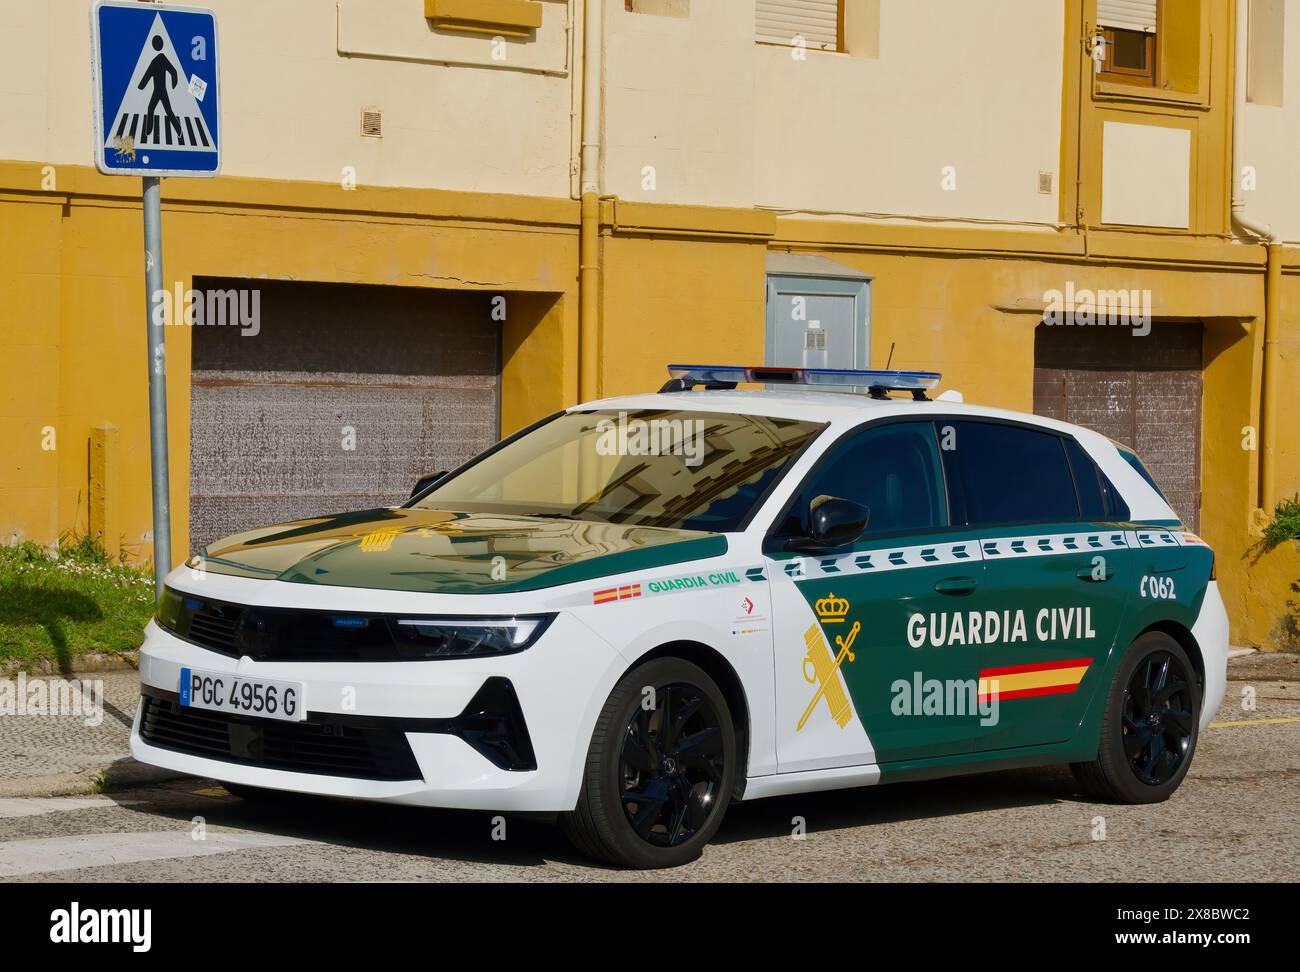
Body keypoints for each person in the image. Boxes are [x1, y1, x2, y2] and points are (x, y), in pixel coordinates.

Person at [139, 35, 180, 143]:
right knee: (156, 109)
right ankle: (149, 131)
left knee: (159, 110)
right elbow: (173, 71)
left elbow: (147, 76)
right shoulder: (160, 59)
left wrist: (141, 86)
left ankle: (177, 129)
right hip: (159, 91)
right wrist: (173, 83)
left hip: (159, 91)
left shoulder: (158, 60)